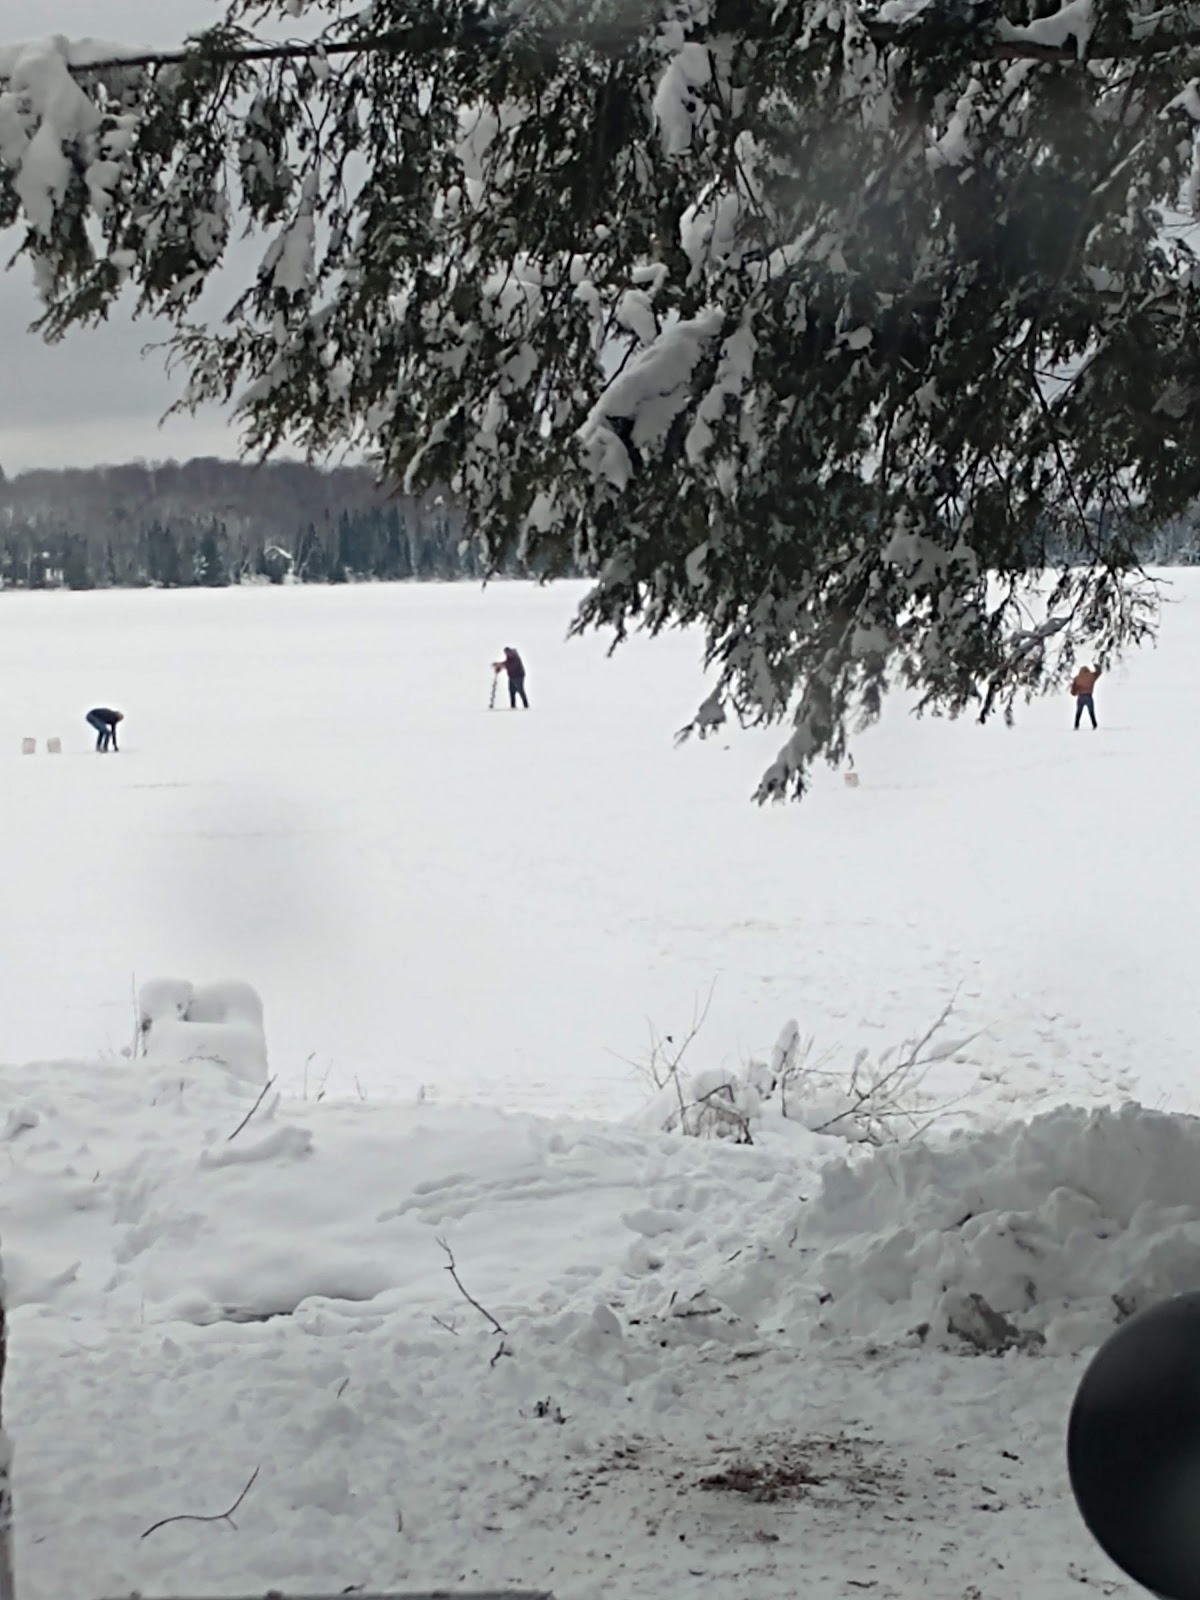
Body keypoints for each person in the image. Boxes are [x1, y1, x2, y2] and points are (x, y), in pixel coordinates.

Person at [1071, 664, 1100, 730]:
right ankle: (1094, 725)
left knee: (1078, 712)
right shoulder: (1091, 676)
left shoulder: (1077, 678)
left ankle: (1076, 725)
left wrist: (1074, 693)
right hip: (1088, 696)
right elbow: (1098, 672)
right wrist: (1096, 665)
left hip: (1080, 697)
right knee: (1091, 712)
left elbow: (1073, 690)